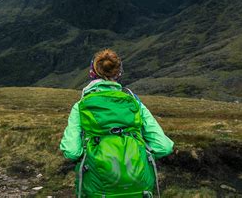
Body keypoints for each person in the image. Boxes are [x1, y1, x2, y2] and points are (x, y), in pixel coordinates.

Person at [60, 49, 174, 197]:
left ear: (92, 72)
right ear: (118, 73)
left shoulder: (81, 106)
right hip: (140, 188)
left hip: (98, 189)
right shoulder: (135, 103)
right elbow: (163, 147)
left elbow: (71, 151)